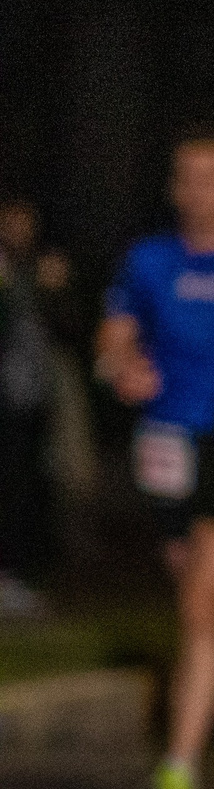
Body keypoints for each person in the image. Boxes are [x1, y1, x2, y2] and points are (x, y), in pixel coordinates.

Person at [94, 130, 214, 789]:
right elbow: (115, 334)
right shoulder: (148, 260)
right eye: (186, 178)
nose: (198, 192)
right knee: (197, 594)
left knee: (200, 601)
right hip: (167, 440)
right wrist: (122, 366)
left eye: (212, 178)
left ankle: (178, 769)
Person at [0, 195, 54, 617]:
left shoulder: (38, 269)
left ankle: (16, 578)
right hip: (8, 401)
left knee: (26, 486)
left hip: (30, 400)